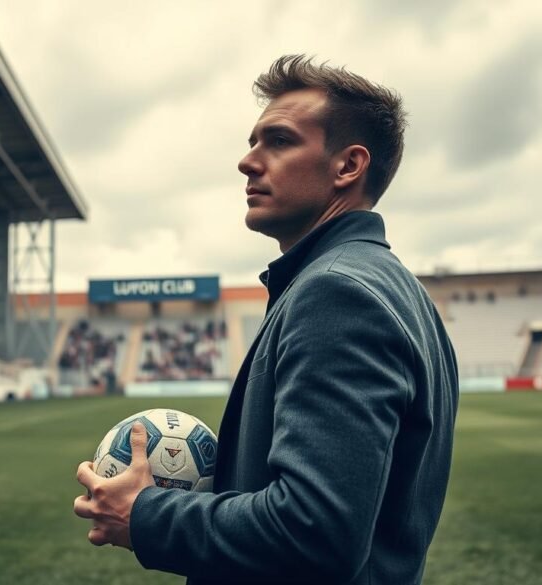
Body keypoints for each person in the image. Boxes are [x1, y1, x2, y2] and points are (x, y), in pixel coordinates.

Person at [73, 55, 458, 585]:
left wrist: (144, 513)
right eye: (253, 141)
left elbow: (315, 532)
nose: (247, 161)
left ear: (348, 166)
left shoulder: (339, 292)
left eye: (278, 141)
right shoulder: (394, 288)